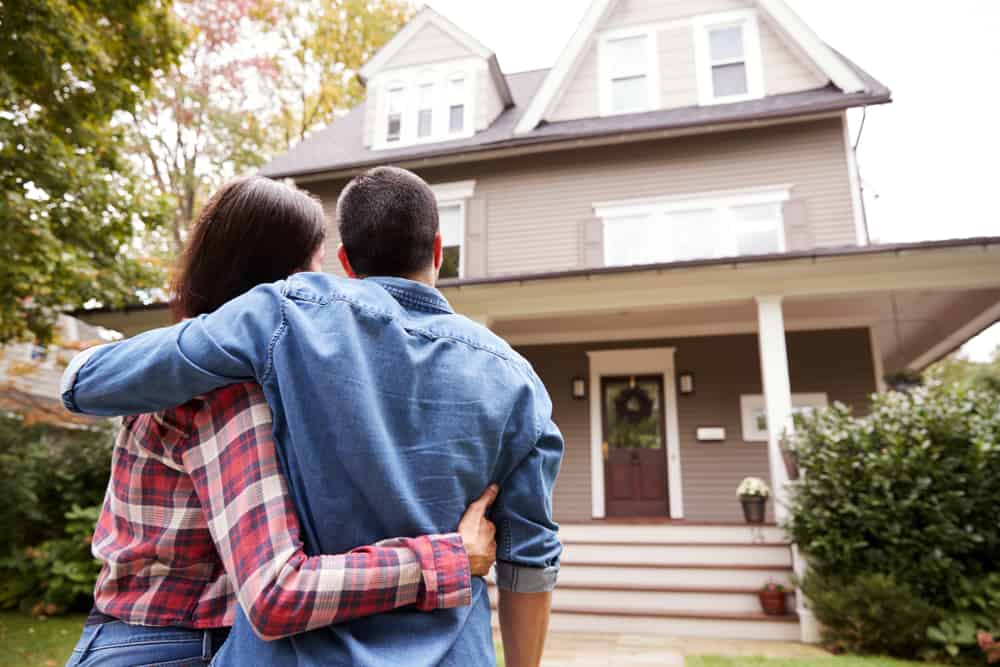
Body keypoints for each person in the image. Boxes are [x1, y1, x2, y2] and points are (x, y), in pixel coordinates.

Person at [62, 167, 564, 667]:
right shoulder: (519, 381)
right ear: (437, 251)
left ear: (345, 262)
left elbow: (85, 384)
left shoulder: (283, 322)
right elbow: (531, 560)